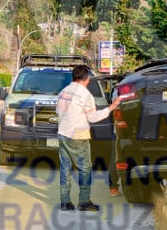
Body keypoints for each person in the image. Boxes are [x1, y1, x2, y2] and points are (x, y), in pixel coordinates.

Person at [55, 65, 128, 211]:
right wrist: (111, 107)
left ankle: (65, 202)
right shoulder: (85, 95)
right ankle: (84, 201)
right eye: (88, 78)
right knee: (85, 169)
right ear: (85, 79)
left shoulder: (64, 92)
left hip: (63, 133)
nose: (89, 81)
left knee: (65, 169)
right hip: (79, 136)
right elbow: (93, 117)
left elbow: (58, 110)